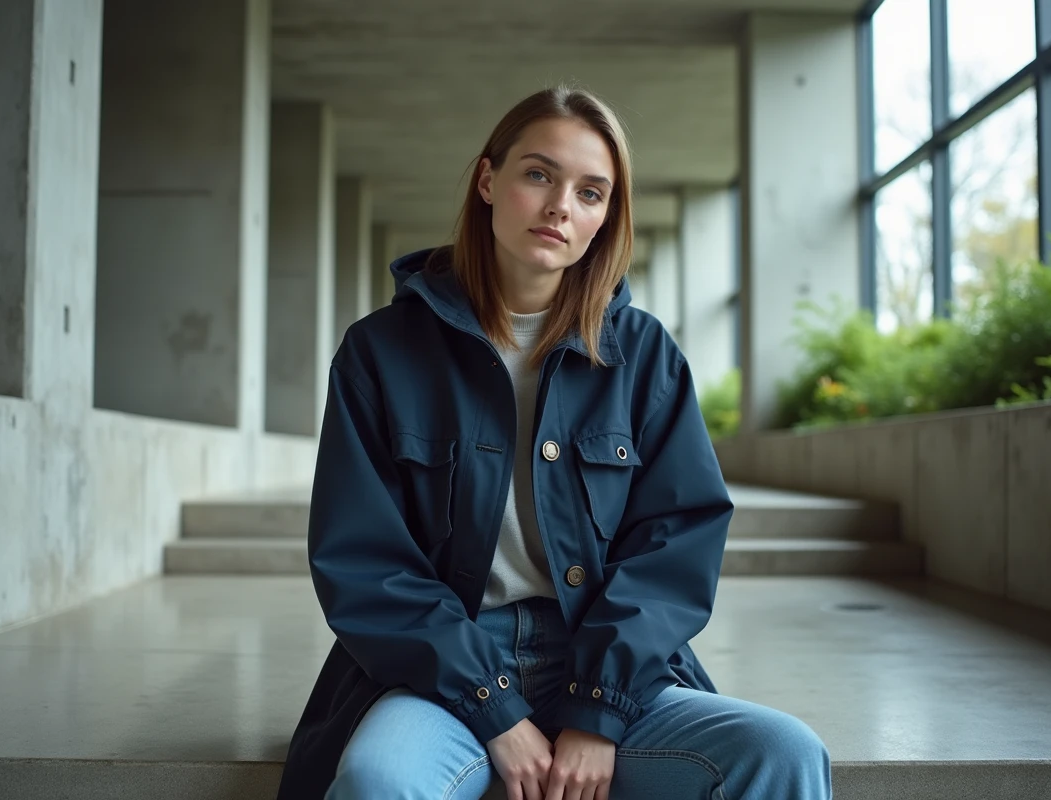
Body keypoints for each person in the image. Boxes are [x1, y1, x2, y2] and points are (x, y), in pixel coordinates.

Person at [276, 85, 832, 800]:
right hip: (447, 671)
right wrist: (493, 709)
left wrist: (599, 713)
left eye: (591, 192)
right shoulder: (380, 353)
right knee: (377, 779)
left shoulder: (643, 355)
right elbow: (363, 559)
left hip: (603, 665)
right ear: (488, 180)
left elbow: (677, 542)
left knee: (784, 754)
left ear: (605, 217)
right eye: (539, 174)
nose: (560, 206)